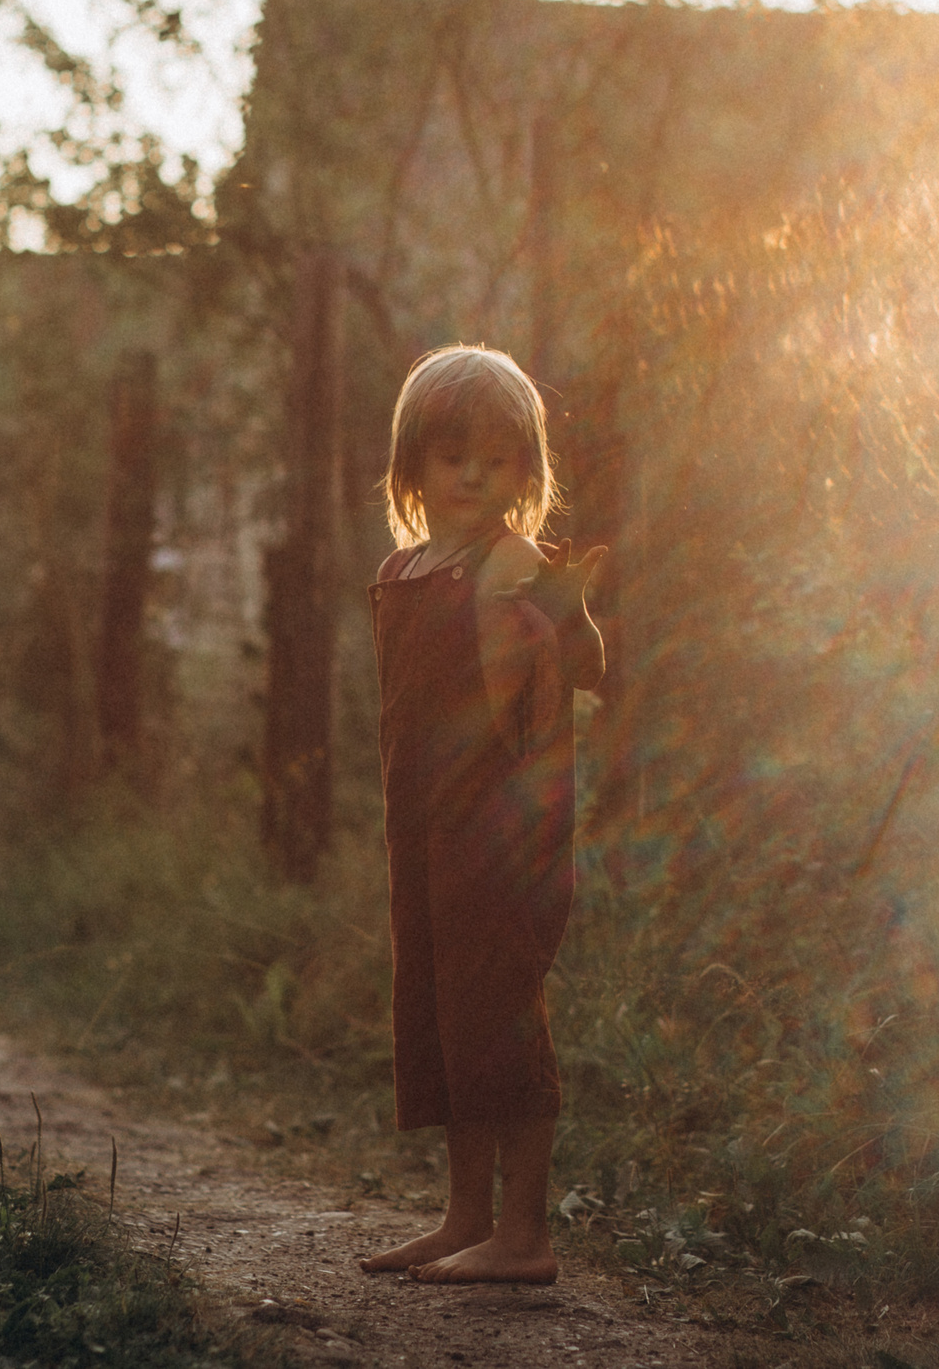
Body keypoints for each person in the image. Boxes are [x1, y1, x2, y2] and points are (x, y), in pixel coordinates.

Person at [357, 344, 606, 1285]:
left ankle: (525, 1232)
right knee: (441, 1008)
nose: (473, 473)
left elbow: (578, 666)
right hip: (423, 826)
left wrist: (545, 616)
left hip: (504, 828)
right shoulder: (407, 565)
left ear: (527, 473)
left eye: (498, 458)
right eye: (452, 453)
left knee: (499, 1007)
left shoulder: (510, 559)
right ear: (412, 465)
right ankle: (464, 1215)